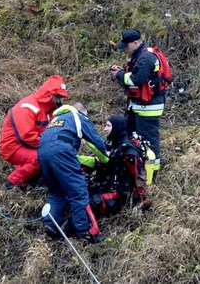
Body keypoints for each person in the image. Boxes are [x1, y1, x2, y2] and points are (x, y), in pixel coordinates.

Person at [37, 102, 109, 243]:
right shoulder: (78, 117)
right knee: (78, 192)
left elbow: (64, 153)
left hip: (42, 154)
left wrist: (90, 161)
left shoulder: (55, 120)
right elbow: (95, 142)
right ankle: (84, 232)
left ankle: (51, 224)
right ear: (84, 112)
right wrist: (105, 158)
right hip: (61, 151)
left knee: (56, 191)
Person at [111, 29, 165, 178]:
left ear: (136, 42)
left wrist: (119, 75)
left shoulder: (145, 57)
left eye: (126, 46)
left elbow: (136, 80)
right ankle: (135, 167)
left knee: (148, 141)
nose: (125, 50)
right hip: (139, 106)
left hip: (148, 108)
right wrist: (122, 72)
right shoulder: (140, 56)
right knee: (131, 137)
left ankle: (151, 175)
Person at [0, 75, 69, 189]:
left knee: (51, 156)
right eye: (58, 96)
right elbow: (26, 136)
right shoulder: (26, 107)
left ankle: (31, 178)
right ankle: (12, 184)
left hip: (31, 144)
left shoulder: (50, 109)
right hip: (13, 147)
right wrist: (49, 147)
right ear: (49, 94)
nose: (59, 100)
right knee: (40, 158)